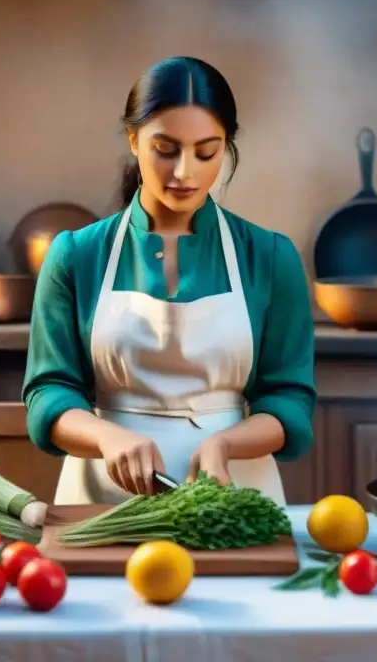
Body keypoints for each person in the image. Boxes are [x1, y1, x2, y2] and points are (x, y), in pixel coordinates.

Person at [22, 56, 317, 506]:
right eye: (165, 149)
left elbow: (289, 398)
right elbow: (48, 392)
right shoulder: (76, 256)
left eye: (206, 152)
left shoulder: (271, 258)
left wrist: (225, 444)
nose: (185, 173)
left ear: (227, 146)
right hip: (104, 499)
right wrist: (106, 437)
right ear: (133, 139)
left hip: (234, 497)